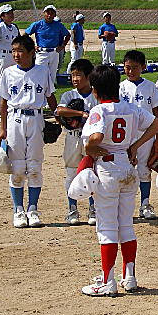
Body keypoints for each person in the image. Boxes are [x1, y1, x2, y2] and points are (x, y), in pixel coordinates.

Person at [78, 64, 158, 297]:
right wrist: (135, 145)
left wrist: (90, 148)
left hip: (108, 169)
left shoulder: (99, 110)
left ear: (95, 90)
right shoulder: (131, 108)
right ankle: (130, 277)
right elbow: (157, 123)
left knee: (107, 227)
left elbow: (96, 137)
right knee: (126, 225)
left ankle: (107, 281)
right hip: (127, 165)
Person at [0, 35, 57, 228]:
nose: (16, 55)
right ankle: (18, 210)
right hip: (15, 119)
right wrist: (3, 129)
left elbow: (50, 96)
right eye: (14, 51)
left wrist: (58, 118)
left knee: (35, 166)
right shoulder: (8, 72)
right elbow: (3, 103)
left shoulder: (42, 71)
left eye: (20, 51)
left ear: (32, 52)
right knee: (17, 167)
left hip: (36, 118)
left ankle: (33, 209)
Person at [119, 50, 158, 220]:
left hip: (147, 133)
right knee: (125, 168)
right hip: (127, 134)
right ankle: (125, 206)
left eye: (135, 67)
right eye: (127, 67)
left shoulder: (150, 86)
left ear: (143, 67)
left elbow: (156, 113)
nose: (131, 71)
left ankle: (145, 203)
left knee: (144, 169)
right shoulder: (120, 87)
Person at [55, 58, 98, 225]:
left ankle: (93, 209)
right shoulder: (69, 95)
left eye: (78, 75)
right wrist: (80, 114)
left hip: (91, 139)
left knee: (92, 173)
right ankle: (72, 209)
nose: (74, 79)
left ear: (89, 76)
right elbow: (60, 111)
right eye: (72, 75)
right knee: (72, 173)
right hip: (73, 137)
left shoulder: (96, 95)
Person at [25, 5, 70, 88]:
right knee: (38, 73)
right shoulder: (37, 24)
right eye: (47, 13)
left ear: (55, 15)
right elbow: (25, 35)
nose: (49, 15)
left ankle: (50, 91)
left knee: (52, 74)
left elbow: (67, 35)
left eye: (52, 13)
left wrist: (62, 46)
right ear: (44, 13)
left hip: (54, 52)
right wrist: (32, 46)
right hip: (42, 52)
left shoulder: (58, 25)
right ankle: (38, 89)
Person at [0, 5, 19, 95]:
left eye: (11, 13)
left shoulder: (14, 28)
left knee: (13, 77)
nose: (11, 15)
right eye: (8, 13)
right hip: (3, 55)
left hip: (12, 55)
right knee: (2, 79)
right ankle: (0, 99)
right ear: (2, 16)